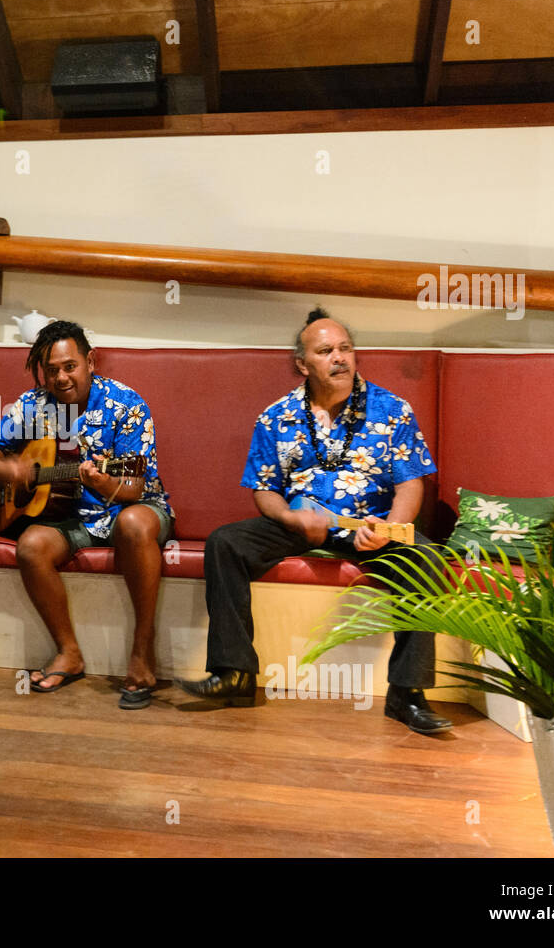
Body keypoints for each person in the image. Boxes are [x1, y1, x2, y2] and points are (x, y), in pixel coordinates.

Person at [178, 308, 452, 734]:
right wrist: (290, 516)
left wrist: (386, 531)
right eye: (326, 351)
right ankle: (234, 673)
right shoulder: (276, 416)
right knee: (225, 543)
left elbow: (410, 485)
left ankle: (407, 693)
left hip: (370, 525)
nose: (339, 358)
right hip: (302, 524)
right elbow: (264, 489)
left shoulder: (392, 410)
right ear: (303, 365)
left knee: (426, 558)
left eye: (346, 349)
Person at [0, 320, 174, 710]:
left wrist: (103, 481)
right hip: (74, 516)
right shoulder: (34, 405)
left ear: (90, 361)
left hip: (135, 508)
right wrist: (12, 471)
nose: (61, 377)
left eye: (69, 366)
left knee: (133, 523)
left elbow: (134, 488)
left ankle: (142, 652)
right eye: (52, 370)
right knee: (31, 546)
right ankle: (68, 652)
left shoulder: (127, 404)